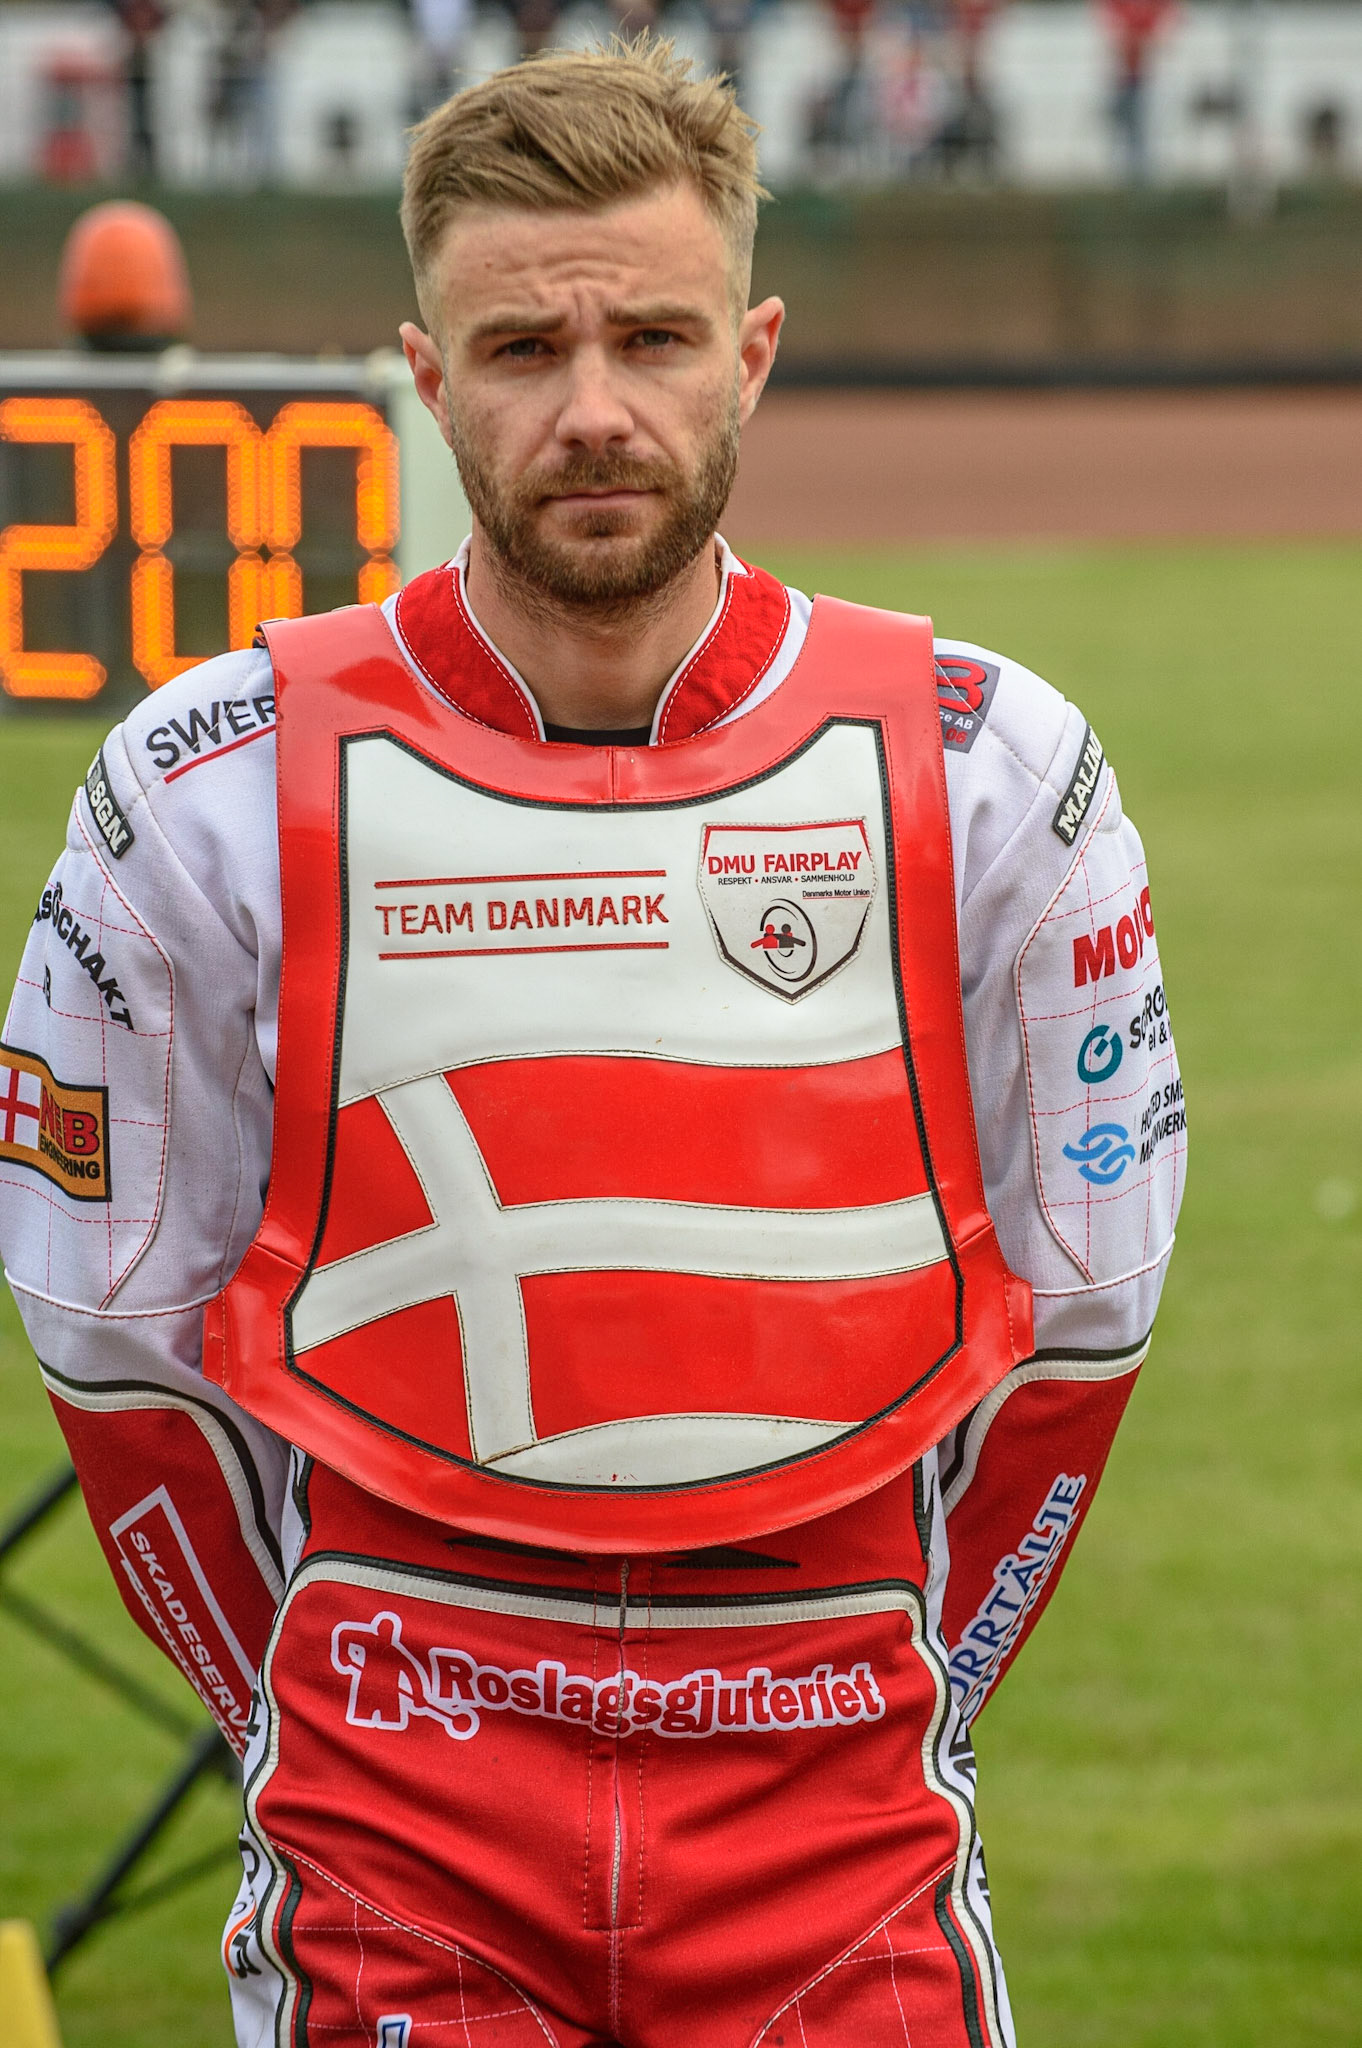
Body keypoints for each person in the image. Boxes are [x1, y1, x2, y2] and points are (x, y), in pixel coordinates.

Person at [0, 39, 1184, 2046]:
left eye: (653, 333)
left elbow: (1087, 1319)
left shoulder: (999, 775)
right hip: (393, 1818)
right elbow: (111, 1340)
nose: (595, 407)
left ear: (756, 350)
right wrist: (299, 1694)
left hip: (837, 1817)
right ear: (427, 372)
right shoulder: (199, 788)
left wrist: (896, 1677)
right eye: (523, 348)